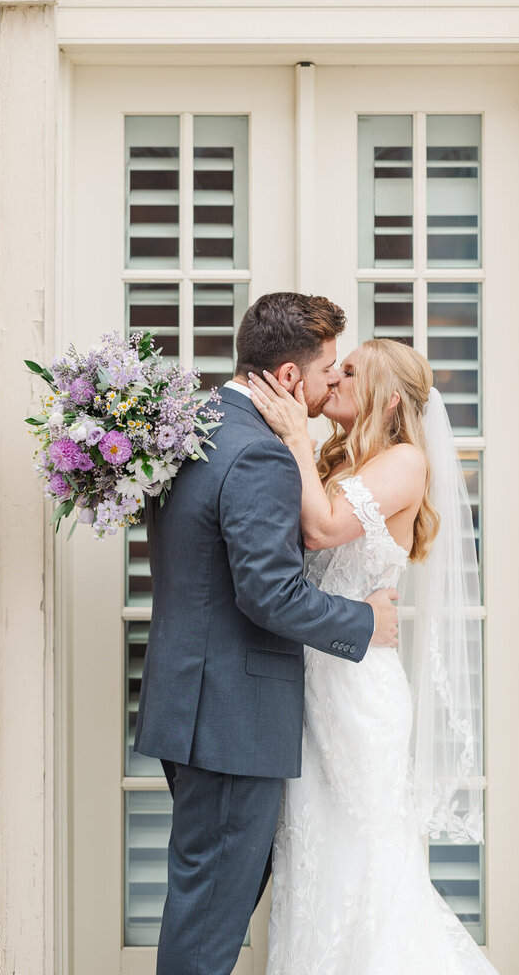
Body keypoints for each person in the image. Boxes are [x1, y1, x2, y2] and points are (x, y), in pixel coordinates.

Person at [133, 293, 400, 975]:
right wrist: (366, 622)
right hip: (229, 720)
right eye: (325, 370)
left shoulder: (190, 425)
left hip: (196, 706)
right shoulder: (259, 455)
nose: (328, 384)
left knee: (212, 898)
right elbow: (269, 594)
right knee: (210, 919)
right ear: (288, 377)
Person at [248, 337, 501, 974]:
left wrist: (296, 441)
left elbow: (325, 528)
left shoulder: (406, 461)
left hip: (360, 692)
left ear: (388, 399)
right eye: (332, 370)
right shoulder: (338, 458)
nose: (331, 380)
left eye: (349, 372)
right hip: (310, 682)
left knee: (364, 852)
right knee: (315, 851)